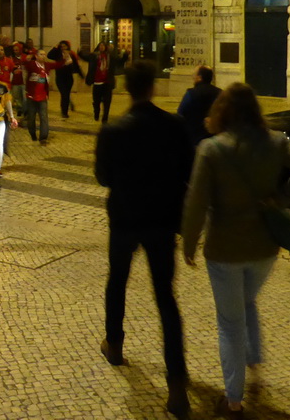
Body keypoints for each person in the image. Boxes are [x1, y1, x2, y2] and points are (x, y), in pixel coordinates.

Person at [181, 83, 290, 419]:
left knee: (229, 321)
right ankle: (254, 359)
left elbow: (196, 202)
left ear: (222, 112)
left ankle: (233, 400)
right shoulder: (275, 141)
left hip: (224, 248)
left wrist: (189, 242)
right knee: (246, 302)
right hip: (264, 246)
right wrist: (282, 198)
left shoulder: (211, 149)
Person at [94, 60, 193, 418]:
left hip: (124, 219)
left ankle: (115, 343)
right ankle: (177, 380)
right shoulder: (174, 126)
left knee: (117, 281)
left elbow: (103, 177)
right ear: (152, 87)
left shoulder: (113, 130)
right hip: (162, 221)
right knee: (166, 298)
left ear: (126, 88)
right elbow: (187, 171)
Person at [177, 65, 222, 144]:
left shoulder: (191, 93)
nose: (193, 77)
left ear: (199, 77)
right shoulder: (220, 93)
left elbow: (181, 112)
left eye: (194, 75)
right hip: (215, 138)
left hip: (194, 138)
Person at [21, 50, 58, 145]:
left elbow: (57, 65)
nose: (43, 56)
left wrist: (66, 59)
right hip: (32, 96)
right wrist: (26, 59)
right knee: (31, 117)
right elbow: (23, 64)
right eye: (41, 54)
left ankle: (43, 138)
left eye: (44, 54)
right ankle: (32, 133)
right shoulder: (32, 64)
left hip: (42, 96)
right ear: (36, 56)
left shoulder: (47, 65)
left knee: (44, 117)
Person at [85, 41, 119, 124]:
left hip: (107, 82)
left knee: (107, 102)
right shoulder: (94, 56)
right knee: (96, 101)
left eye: (103, 45)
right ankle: (96, 113)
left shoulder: (110, 56)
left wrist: (124, 55)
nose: (102, 47)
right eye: (100, 45)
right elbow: (85, 58)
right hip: (97, 82)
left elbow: (119, 61)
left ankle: (105, 118)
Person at [47, 40, 82, 118]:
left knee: (66, 94)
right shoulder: (57, 54)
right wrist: (55, 47)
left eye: (64, 46)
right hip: (60, 78)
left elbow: (76, 65)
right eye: (61, 46)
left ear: (68, 46)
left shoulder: (72, 54)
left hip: (69, 78)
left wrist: (82, 75)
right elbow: (49, 56)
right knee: (64, 94)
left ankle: (68, 104)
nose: (63, 48)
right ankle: (64, 112)